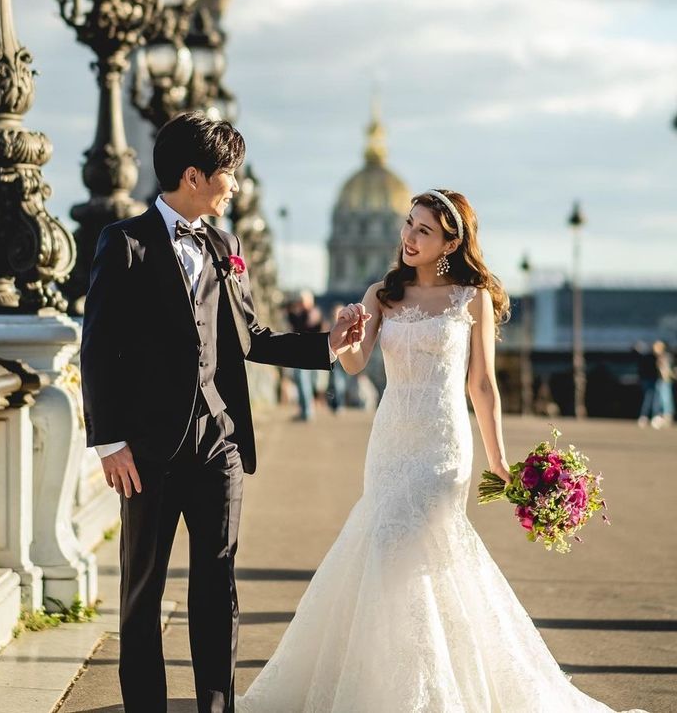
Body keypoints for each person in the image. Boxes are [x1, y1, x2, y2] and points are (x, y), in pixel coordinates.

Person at [238, 188, 648, 713]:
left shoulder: (470, 296)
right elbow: (359, 363)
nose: (408, 237)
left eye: (423, 230)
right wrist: (343, 336)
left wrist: (499, 462)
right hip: (390, 441)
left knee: (411, 546)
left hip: (442, 444)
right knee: (385, 548)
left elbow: (482, 386)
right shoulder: (380, 295)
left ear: (450, 241)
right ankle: (382, 684)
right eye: (408, 224)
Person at [79, 111, 365, 713]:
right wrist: (110, 442)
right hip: (148, 454)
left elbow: (252, 337)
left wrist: (328, 346)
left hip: (220, 445)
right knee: (143, 593)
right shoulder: (124, 244)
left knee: (218, 588)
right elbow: (98, 347)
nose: (234, 185)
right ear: (193, 176)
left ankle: (216, 707)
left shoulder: (227, 246)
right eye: (227, 174)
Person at [286, 290, 324, 420]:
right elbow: (294, 325)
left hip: (309, 353)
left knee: (304, 381)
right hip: (300, 352)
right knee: (302, 381)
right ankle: (305, 410)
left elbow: (307, 328)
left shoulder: (313, 313)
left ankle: (307, 411)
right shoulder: (301, 313)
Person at [651, 339, 674, 428]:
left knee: (666, 399)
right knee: (661, 400)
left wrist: (667, 376)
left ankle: (668, 417)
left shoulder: (666, 356)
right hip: (661, 380)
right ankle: (663, 416)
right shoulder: (661, 357)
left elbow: (667, 370)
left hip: (666, 380)